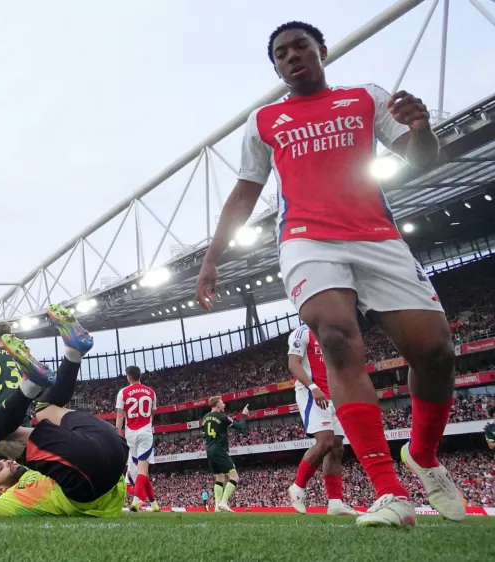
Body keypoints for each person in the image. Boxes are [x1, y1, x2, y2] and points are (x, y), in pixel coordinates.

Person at [194, 21, 462, 527]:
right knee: (336, 337)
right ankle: (388, 491)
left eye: (301, 46)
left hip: (377, 236)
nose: (292, 56)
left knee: (436, 352)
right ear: (276, 67)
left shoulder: (365, 97)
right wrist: (213, 257)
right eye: (281, 53)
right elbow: (245, 193)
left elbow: (423, 160)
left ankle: (423, 455)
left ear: (322, 50)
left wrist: (421, 129)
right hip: (306, 239)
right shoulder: (264, 120)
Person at [0, 305, 127, 517]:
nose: (8, 462)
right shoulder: (11, 499)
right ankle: (62, 363)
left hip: (108, 447)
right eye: (0, 469)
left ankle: (70, 355)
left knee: (36, 414)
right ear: (1, 490)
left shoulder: (38, 469)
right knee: (17, 426)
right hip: (101, 464)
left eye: (1, 463)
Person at [286, 326, 358, 516]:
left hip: (334, 395)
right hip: (312, 393)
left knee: (337, 447)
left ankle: (335, 503)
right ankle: (297, 488)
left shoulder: (333, 334)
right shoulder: (302, 332)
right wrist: (313, 387)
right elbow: (293, 364)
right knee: (325, 441)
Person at [115, 365, 157, 512]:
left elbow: (120, 415)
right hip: (145, 432)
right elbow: (152, 413)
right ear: (140, 376)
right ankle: (136, 501)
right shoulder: (151, 392)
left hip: (130, 434)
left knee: (142, 470)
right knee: (142, 470)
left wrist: (117, 433)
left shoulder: (123, 392)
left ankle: (154, 503)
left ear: (128, 377)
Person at [201, 397, 249, 513]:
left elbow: (204, 434)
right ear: (217, 404)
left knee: (220, 479)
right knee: (234, 477)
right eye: (222, 402)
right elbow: (240, 427)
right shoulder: (223, 417)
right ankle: (223, 503)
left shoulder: (205, 418)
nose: (224, 404)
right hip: (220, 450)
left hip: (209, 450)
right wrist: (244, 415)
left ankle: (217, 507)